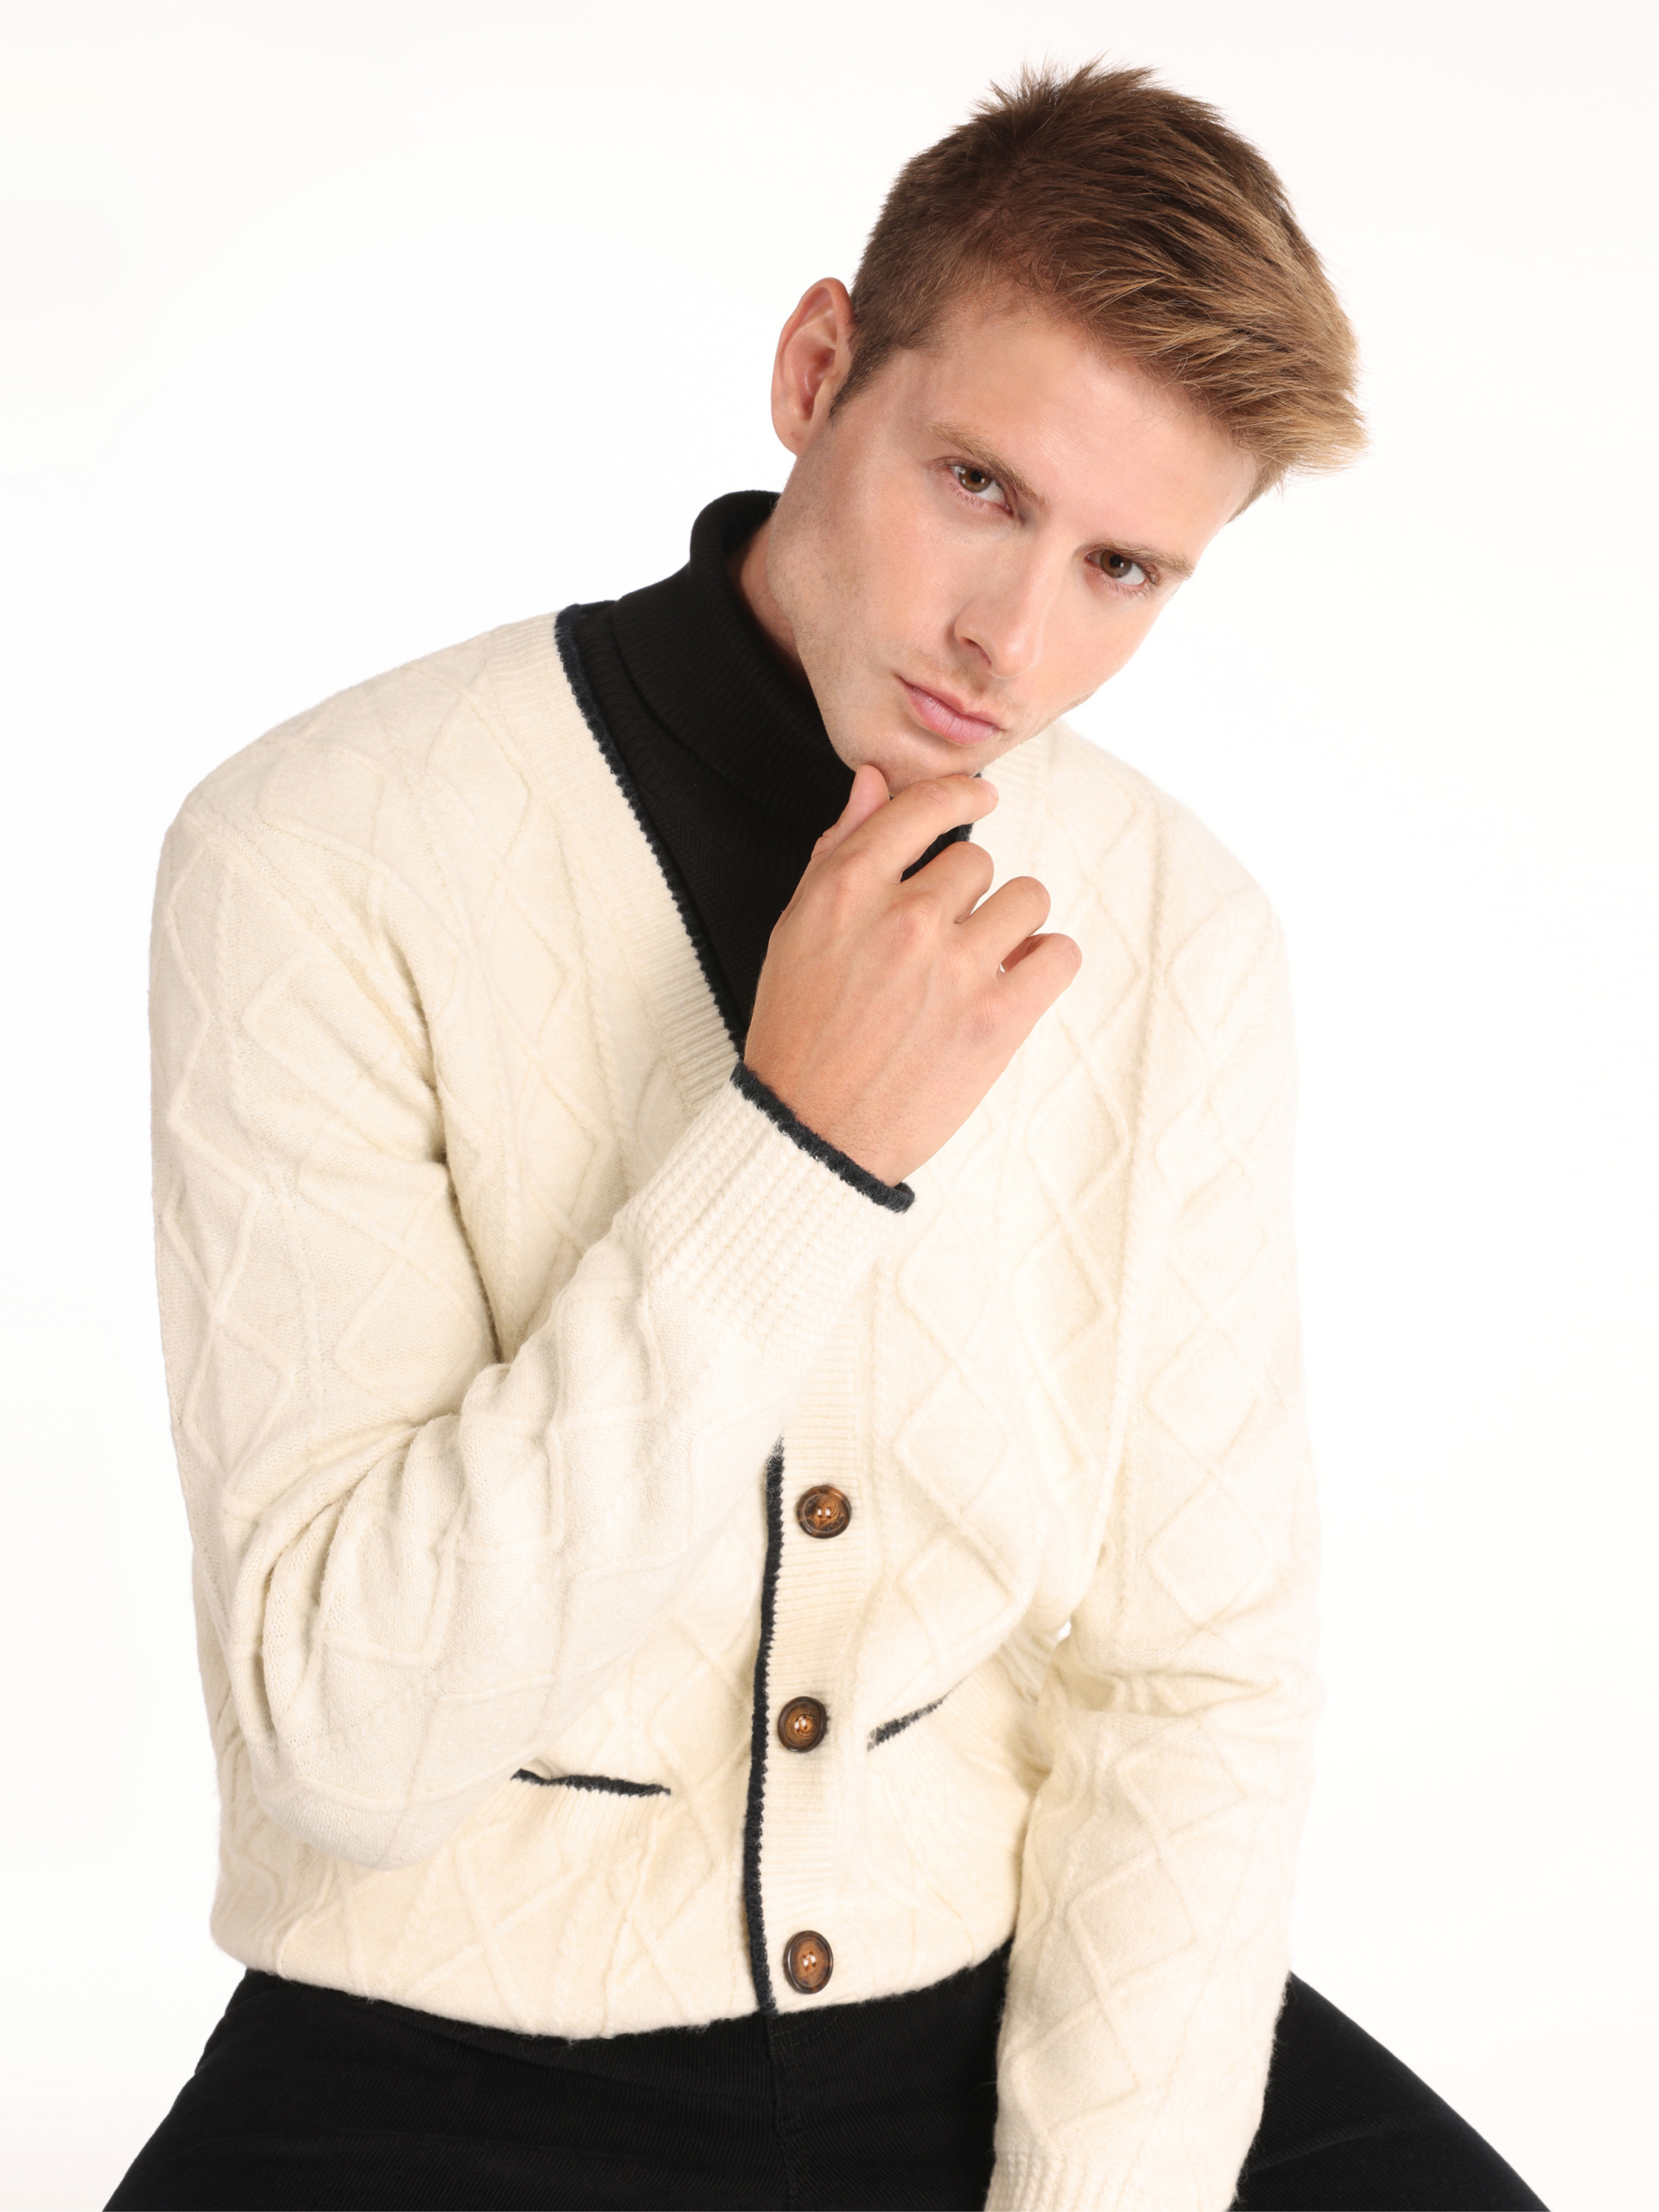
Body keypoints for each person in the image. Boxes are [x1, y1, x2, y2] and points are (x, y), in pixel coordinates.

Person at [111, 61, 1544, 2212]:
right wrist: (794, 1149)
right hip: (448, 2045)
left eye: (1122, 568)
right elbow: (353, 1746)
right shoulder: (317, 853)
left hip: (979, 1991)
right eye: (977, 484)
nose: (1012, 638)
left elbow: (1192, 1686)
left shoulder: (1175, 927)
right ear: (813, 375)